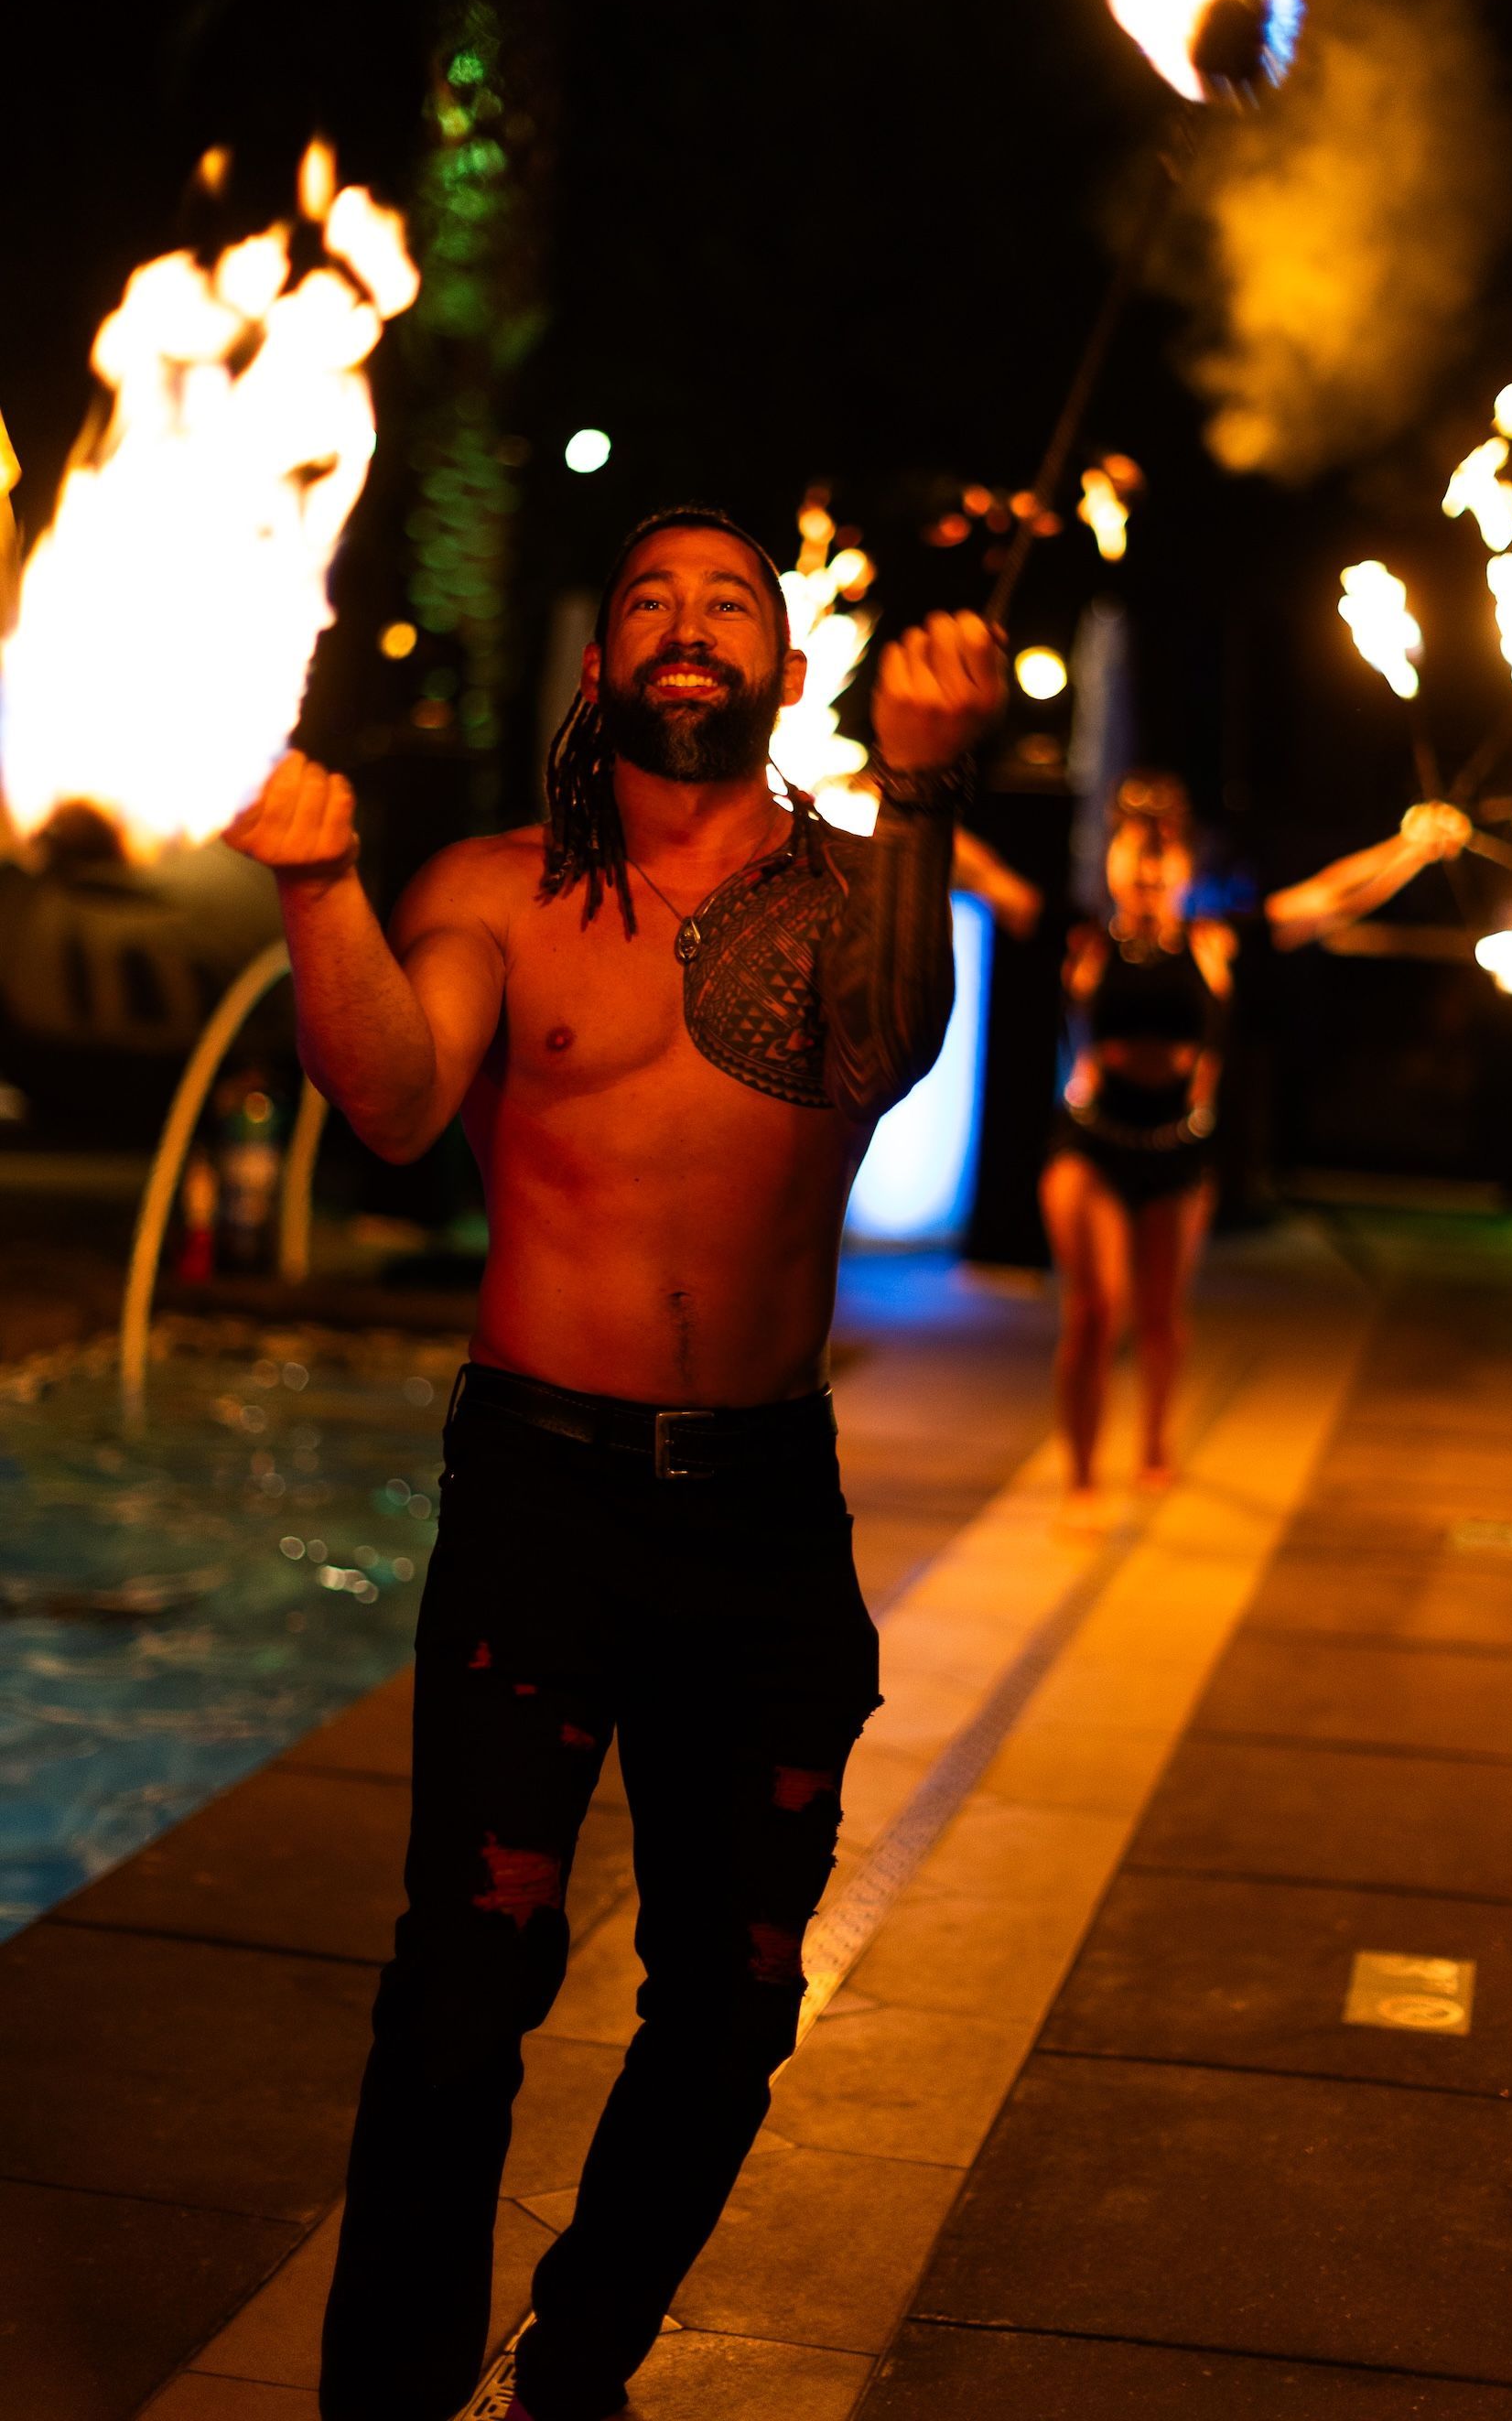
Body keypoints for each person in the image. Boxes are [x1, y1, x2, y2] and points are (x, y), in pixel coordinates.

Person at [223, 506, 1005, 2421]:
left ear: (789, 672)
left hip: (760, 1507)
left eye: (727, 599)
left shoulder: (852, 893)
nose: (685, 621)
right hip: (542, 1497)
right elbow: (395, 1098)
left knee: (737, 1992)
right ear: (600, 667)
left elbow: (887, 1050)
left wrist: (921, 788)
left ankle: (577, 2364)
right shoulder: (496, 889)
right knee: (461, 1985)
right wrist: (318, 887)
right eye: (650, 597)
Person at [1040, 770, 1470, 1509]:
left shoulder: (1215, 943)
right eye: (1134, 854)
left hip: (1176, 1150)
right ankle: (1080, 1477)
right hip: (1092, 1147)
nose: (1147, 873)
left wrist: (1410, 847)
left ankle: (1153, 1442)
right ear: (1109, 859)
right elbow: (984, 878)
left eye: (1163, 857)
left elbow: (1330, 898)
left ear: (1187, 867)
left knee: (1160, 1317)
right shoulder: (1082, 942)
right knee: (1095, 1310)